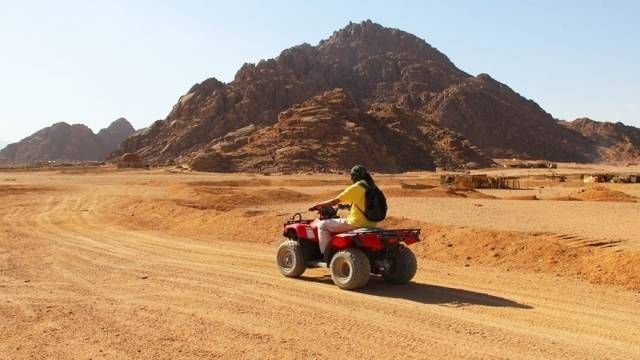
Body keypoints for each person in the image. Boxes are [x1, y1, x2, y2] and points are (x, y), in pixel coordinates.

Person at [309, 165, 378, 260]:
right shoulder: (373, 187)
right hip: (372, 223)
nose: (351, 178)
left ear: (356, 176)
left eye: (352, 176)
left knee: (322, 225)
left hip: (356, 223)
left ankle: (327, 255)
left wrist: (317, 206)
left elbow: (334, 201)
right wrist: (345, 206)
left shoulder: (356, 187)